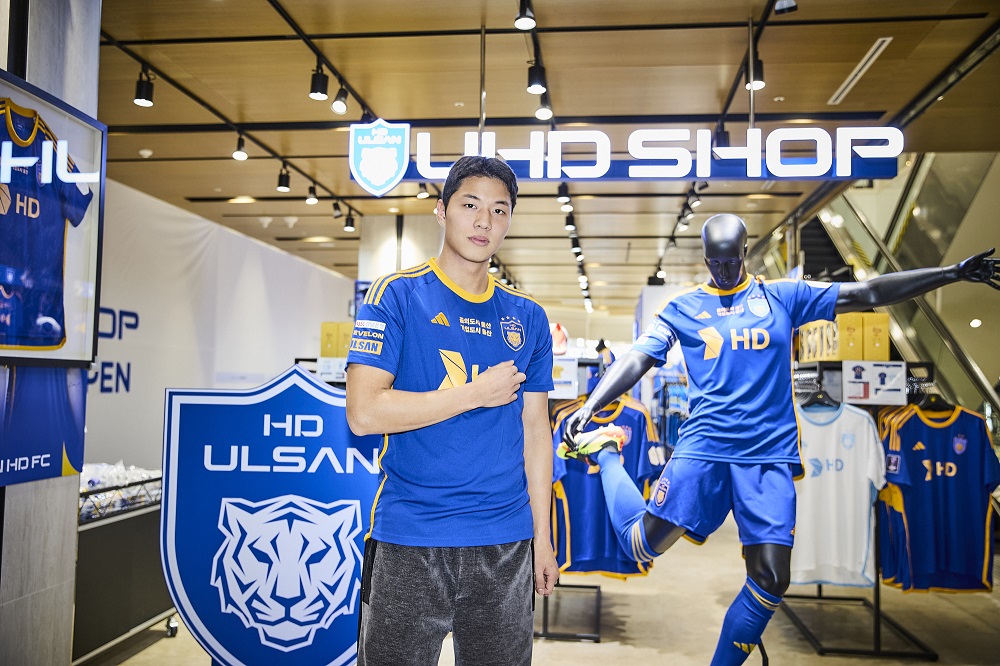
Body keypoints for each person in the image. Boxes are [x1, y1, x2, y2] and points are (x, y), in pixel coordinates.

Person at [561, 213, 998, 666]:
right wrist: (592, 406)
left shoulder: (783, 296)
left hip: (767, 455)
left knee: (771, 578)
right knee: (640, 546)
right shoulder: (683, 308)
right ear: (705, 259)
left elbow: (866, 293)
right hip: (704, 449)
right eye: (714, 263)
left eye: (731, 261)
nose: (723, 271)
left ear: (745, 252)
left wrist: (950, 273)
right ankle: (607, 451)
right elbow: (638, 358)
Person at [346, 155, 558, 666]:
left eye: (499, 210)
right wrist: (475, 393)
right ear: (442, 211)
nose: (484, 221)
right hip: (410, 537)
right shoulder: (395, 297)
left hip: (505, 541)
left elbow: (536, 431)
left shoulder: (528, 317)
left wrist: (543, 540)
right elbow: (363, 413)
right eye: (470, 205)